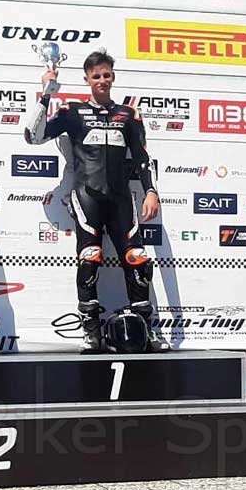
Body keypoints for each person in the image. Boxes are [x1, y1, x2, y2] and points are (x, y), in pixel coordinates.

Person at [24, 49, 167, 353]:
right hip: (87, 197)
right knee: (90, 259)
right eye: (96, 76)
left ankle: (147, 331)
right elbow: (32, 136)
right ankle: (91, 332)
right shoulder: (73, 112)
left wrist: (151, 191)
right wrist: (46, 94)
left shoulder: (128, 115)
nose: (102, 80)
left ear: (113, 77)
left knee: (138, 259)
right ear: (87, 79)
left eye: (107, 75)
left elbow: (142, 157)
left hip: (120, 200)